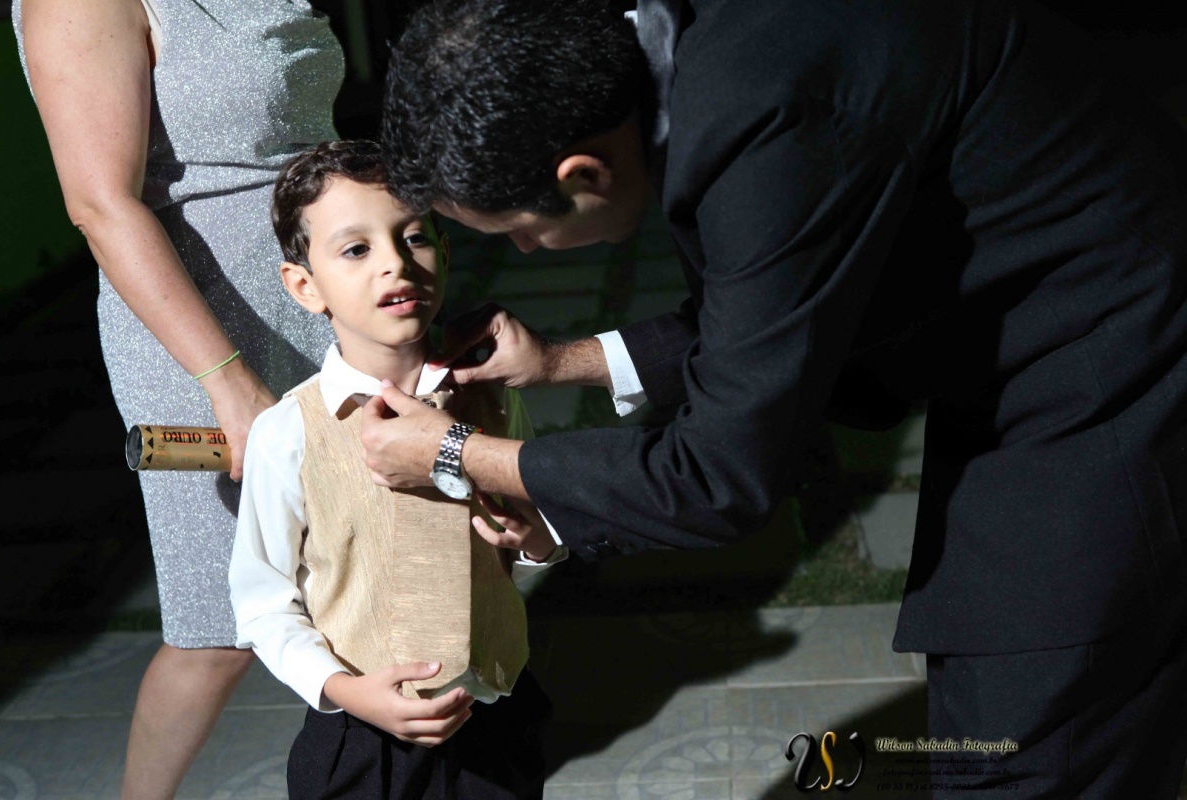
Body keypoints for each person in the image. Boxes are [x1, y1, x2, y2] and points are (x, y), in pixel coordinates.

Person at [363, 0, 1187, 796]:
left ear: (582, 172)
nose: (526, 250)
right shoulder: (695, 48)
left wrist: (455, 453)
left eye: (516, 229)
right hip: (1014, 318)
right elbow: (779, 310)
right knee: (988, 691)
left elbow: (721, 472)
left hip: (1120, 344)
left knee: (1039, 725)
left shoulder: (765, 117)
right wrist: (563, 361)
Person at [12, 1, 341, 796]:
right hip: (197, 330)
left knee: (359, 574)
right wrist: (229, 383)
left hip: (321, 293)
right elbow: (99, 205)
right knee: (220, 627)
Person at [229, 139, 562, 800]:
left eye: (414, 238)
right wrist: (346, 690)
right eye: (356, 249)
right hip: (364, 739)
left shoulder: (493, 397)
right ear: (304, 285)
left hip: (494, 713)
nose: (395, 265)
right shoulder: (288, 434)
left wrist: (536, 539)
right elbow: (263, 603)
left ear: (447, 249)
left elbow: (535, 544)